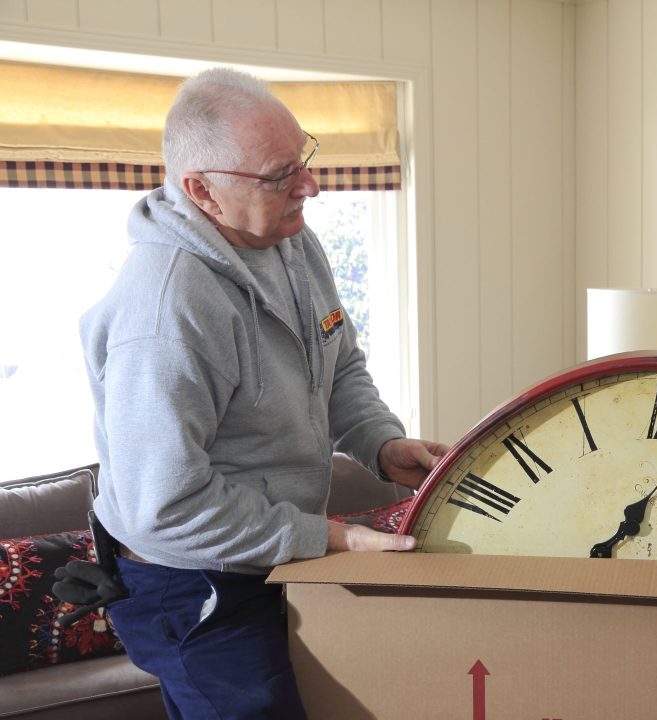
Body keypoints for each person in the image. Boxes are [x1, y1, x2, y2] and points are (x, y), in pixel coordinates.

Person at [78, 67, 448, 718]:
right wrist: (327, 537)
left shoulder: (291, 241)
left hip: (266, 555)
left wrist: (382, 444)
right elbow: (165, 507)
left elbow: (338, 363)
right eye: (279, 175)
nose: (310, 185)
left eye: (303, 156)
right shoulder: (164, 314)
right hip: (191, 581)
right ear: (202, 191)